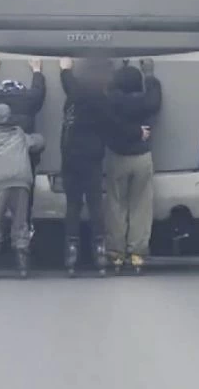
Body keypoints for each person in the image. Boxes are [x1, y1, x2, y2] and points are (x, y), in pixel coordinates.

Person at [58, 57, 143, 276]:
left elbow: (70, 84)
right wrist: (138, 133)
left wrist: (65, 70)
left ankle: (71, 253)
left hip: (69, 158)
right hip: (92, 160)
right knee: (95, 206)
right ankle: (100, 252)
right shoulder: (100, 100)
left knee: (73, 206)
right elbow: (116, 126)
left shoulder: (75, 96)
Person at [104, 59, 162, 274]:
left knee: (115, 205)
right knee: (141, 206)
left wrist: (113, 71)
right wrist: (149, 74)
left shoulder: (111, 101)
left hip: (117, 157)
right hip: (142, 158)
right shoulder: (146, 102)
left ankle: (116, 253)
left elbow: (109, 93)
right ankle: (137, 253)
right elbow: (155, 97)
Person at [0, 104, 45, 279]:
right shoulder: (19, 134)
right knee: (20, 221)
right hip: (21, 180)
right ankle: (22, 263)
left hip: (0, 182)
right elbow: (38, 143)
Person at [0, 56, 46, 231]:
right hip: (24, 168)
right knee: (23, 205)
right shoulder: (23, 130)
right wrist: (37, 71)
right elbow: (38, 92)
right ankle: (23, 236)